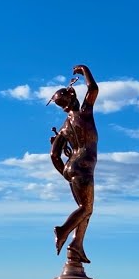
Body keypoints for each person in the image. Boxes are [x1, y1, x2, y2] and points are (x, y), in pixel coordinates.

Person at [49, 64, 98, 265]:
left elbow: (54, 154)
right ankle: (63, 231)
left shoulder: (63, 127)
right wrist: (85, 70)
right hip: (84, 166)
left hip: (72, 167)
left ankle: (77, 245)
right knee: (85, 208)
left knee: (85, 208)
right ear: (72, 97)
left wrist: (66, 172)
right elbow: (93, 89)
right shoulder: (84, 113)